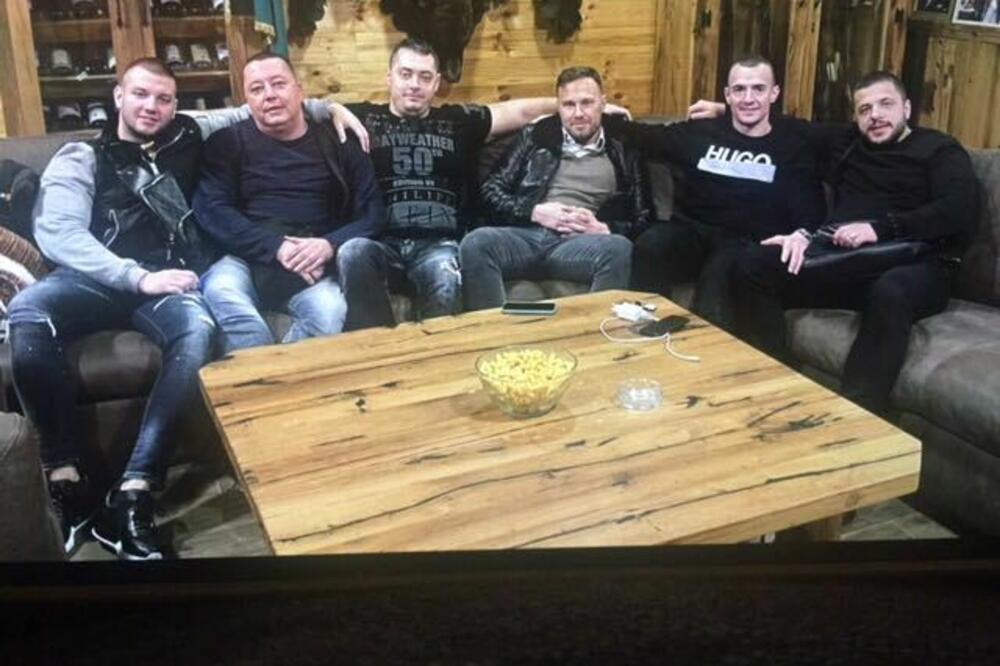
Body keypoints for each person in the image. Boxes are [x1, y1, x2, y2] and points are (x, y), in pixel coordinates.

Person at [6, 58, 219, 560]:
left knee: (198, 328)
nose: (151, 107)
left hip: (166, 281)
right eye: (140, 94)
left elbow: (245, 110)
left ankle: (135, 490)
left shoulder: (186, 138)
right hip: (96, 281)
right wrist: (135, 276)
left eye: (164, 99)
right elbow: (59, 234)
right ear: (119, 97)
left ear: (176, 106)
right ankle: (67, 480)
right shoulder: (82, 155)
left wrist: (329, 109)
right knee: (29, 309)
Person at [732, 71, 978, 413]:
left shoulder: (939, 149)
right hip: (848, 262)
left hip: (919, 265)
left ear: (907, 108)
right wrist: (724, 111)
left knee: (889, 291)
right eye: (864, 109)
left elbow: (959, 209)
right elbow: (794, 127)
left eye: (886, 104)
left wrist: (880, 229)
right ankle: (776, 389)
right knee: (754, 264)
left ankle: (858, 416)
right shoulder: (848, 142)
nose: (875, 115)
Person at [329, 38, 622, 323]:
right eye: (406, 74)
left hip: (439, 245)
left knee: (444, 277)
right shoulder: (362, 117)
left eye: (425, 76)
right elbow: (302, 110)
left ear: (436, 83)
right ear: (389, 77)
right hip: (381, 242)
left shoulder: (460, 121)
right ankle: (377, 346)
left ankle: (442, 350)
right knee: (352, 252)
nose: (415, 84)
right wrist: (330, 108)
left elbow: (520, 111)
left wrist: (578, 106)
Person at [607, 57, 824, 330]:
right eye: (739, 89)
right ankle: (642, 334)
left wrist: (803, 233)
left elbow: (810, 204)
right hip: (692, 232)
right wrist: (599, 113)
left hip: (744, 241)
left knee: (716, 288)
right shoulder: (702, 132)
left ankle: (708, 351)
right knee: (652, 245)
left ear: (774, 93)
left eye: (758, 89)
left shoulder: (791, 147)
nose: (748, 98)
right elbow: (644, 136)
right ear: (727, 95)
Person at [193, 53, 386, 349]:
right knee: (222, 293)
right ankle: (262, 374)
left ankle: (280, 374)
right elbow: (211, 210)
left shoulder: (339, 141)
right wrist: (276, 247)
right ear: (246, 101)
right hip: (244, 257)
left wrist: (329, 245)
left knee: (331, 313)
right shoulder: (226, 143)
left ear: (300, 92)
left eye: (278, 84)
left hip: (310, 261)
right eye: (257, 89)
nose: (269, 95)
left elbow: (373, 213)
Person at [459, 66, 649, 310]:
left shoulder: (625, 146)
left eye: (587, 103)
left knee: (619, 248)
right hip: (526, 236)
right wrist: (534, 211)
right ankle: (493, 330)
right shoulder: (536, 136)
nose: (578, 113)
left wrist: (605, 229)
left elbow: (644, 215)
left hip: (578, 244)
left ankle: (594, 330)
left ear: (603, 103)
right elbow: (490, 190)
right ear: (558, 107)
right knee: (476, 243)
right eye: (569, 105)